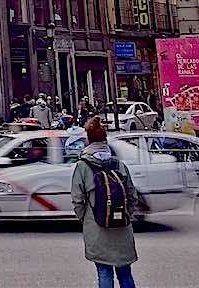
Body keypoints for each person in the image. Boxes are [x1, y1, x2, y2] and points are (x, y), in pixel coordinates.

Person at [71, 117, 138, 288]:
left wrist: (85, 219)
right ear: (105, 140)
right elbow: (132, 195)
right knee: (125, 272)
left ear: (88, 140)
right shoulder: (118, 164)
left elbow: (77, 199)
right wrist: (126, 215)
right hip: (122, 226)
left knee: (104, 272)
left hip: (97, 226)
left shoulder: (83, 166)